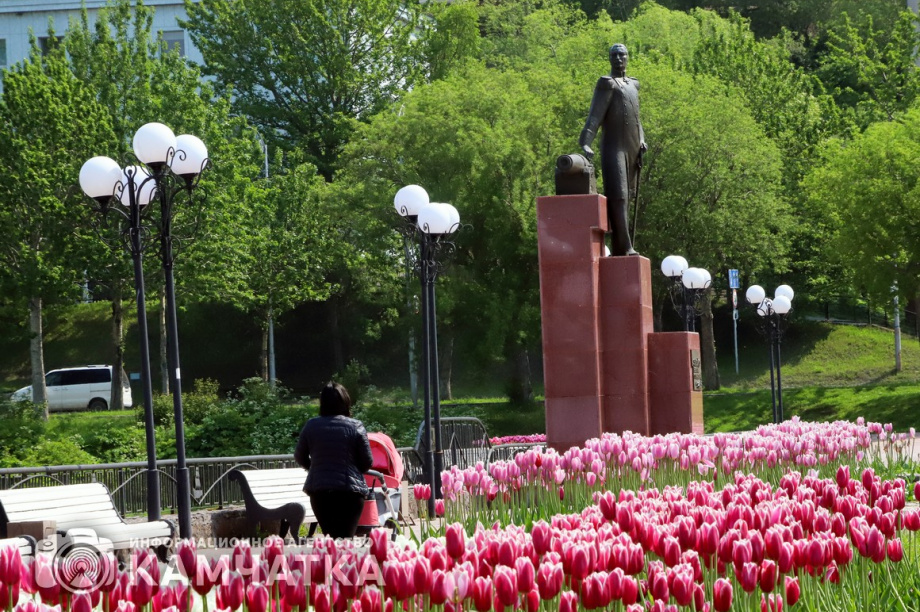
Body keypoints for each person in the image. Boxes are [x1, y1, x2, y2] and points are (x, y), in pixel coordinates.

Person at [579, 43, 647, 256]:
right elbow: (595, 116)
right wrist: (585, 142)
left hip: (632, 147)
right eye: (614, 55)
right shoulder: (607, 84)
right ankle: (625, 246)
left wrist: (642, 141)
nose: (618, 58)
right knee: (619, 195)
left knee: (629, 197)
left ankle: (622, 246)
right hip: (614, 147)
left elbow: (637, 119)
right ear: (609, 58)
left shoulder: (634, 84)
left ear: (628, 57)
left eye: (622, 54)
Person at [294, 381, 373, 539]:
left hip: (320, 493)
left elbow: (299, 456)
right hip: (350, 493)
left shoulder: (311, 426)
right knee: (346, 541)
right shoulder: (355, 426)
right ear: (345, 402)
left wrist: (315, 468)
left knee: (330, 540)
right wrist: (353, 469)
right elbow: (367, 462)